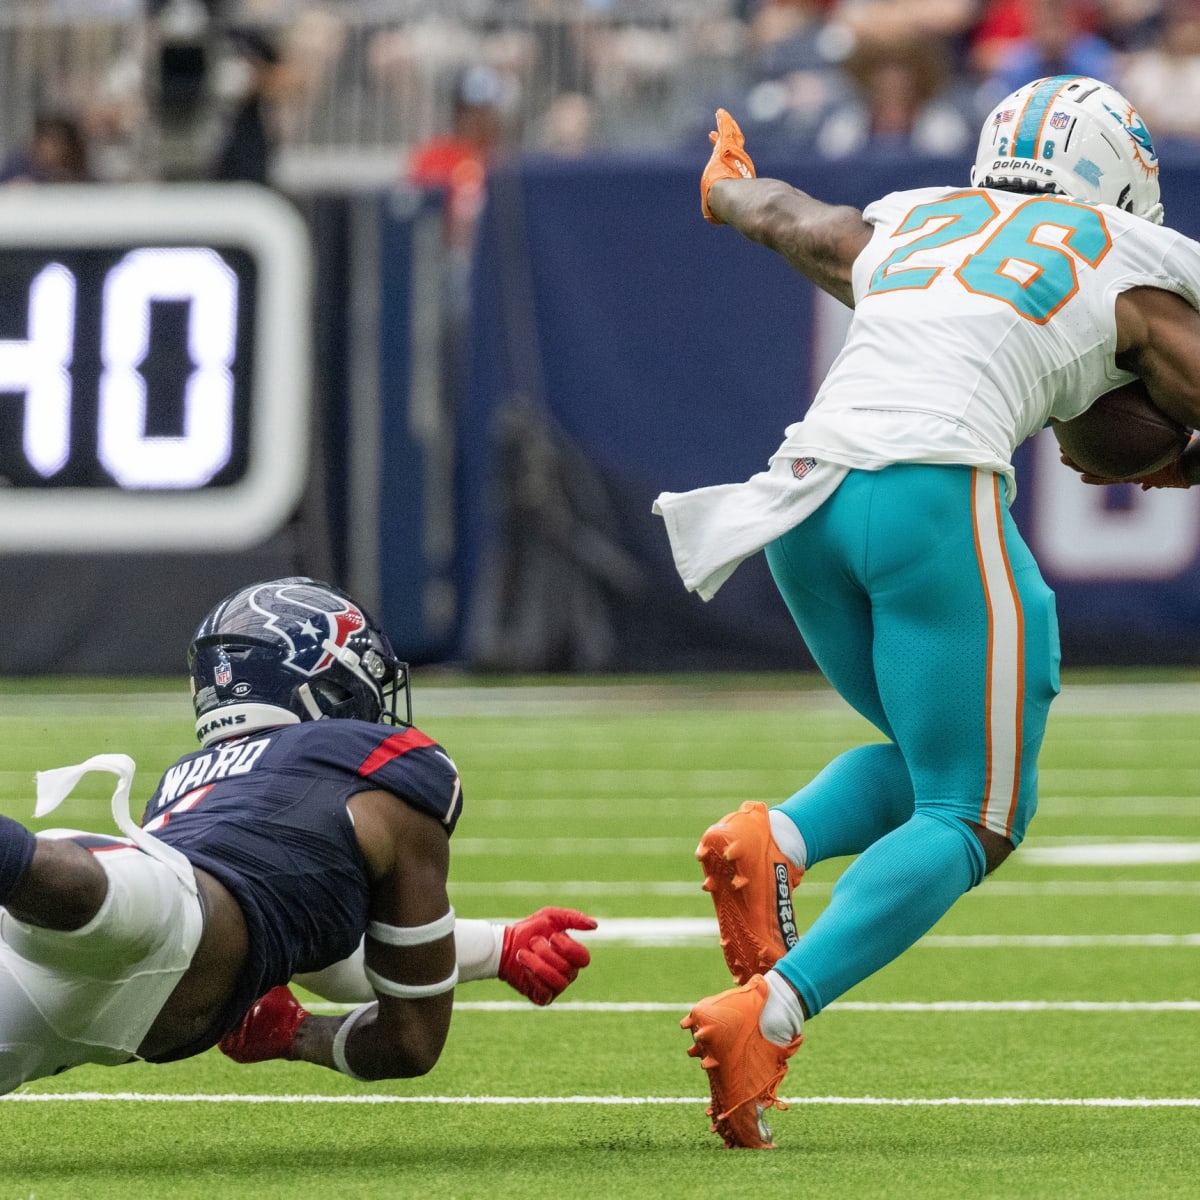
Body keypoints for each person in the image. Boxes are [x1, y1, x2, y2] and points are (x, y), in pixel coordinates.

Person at [654, 76, 1200, 1148]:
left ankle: (781, 835)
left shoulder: (915, 219)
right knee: (978, 815)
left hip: (804, 498)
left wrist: (728, 186)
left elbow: (792, 221)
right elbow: (1126, 423)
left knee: (935, 750)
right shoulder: (1133, 260)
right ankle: (773, 1009)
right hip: (931, 498)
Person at [0, 577, 595, 1092]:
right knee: (92, 889)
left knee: (101, 892)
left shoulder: (182, 786)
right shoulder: (389, 766)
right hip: (153, 947)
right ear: (323, 678)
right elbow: (410, 1040)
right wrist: (300, 1036)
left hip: (88, 982)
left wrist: (498, 946)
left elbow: (323, 947)